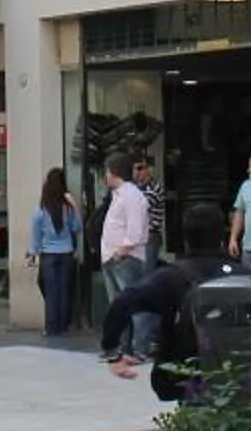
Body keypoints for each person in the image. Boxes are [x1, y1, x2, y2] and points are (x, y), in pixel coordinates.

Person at [99, 205, 238, 381]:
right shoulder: (243, 274)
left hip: (187, 373)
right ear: (222, 235)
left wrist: (112, 351)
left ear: (185, 237)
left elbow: (122, 302)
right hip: (237, 371)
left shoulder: (170, 277)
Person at [98, 152, 154, 355]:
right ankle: (122, 348)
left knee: (135, 306)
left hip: (125, 258)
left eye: (106, 172)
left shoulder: (131, 196)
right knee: (118, 307)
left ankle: (141, 349)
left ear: (113, 173)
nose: (105, 176)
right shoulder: (119, 195)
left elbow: (135, 228)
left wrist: (123, 249)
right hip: (113, 257)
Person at [28, 170, 82, 337]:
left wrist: (32, 253)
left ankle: (51, 327)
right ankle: (63, 324)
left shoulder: (40, 211)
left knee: (51, 292)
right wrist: (75, 207)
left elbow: (36, 238)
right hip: (66, 253)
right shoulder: (68, 209)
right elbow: (77, 228)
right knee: (64, 290)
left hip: (48, 255)